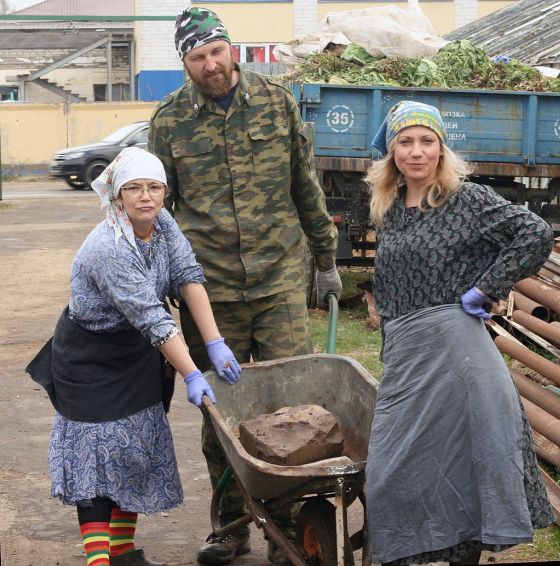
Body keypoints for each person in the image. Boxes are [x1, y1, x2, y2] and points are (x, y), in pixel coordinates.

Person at [148, 7, 342, 566]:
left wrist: (325, 259)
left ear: (231, 48)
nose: (211, 65)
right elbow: (161, 210)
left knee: (293, 406)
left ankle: (289, 529)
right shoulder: (168, 123)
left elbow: (305, 184)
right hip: (208, 291)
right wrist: (161, 284)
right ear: (183, 61)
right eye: (197, 57)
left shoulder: (277, 103)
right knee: (220, 412)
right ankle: (230, 526)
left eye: (216, 52)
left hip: (279, 278)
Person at [26, 147, 241, 566]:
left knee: (137, 446)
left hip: (136, 352)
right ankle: (98, 558)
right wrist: (193, 372)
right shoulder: (108, 246)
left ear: (164, 192)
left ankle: (123, 549)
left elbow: (187, 276)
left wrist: (215, 340)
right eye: (134, 188)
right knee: (95, 454)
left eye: (154, 187)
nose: (146, 196)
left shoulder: (163, 224)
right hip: (90, 354)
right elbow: (153, 318)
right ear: (118, 196)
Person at [364, 100, 555, 566]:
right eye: (405, 142)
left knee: (465, 460)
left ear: (441, 148)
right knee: (391, 472)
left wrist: (486, 288)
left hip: (457, 351)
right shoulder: (389, 206)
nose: (416, 152)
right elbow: (390, 283)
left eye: (426, 141)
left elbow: (535, 233)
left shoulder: (465, 200)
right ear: (391, 152)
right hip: (408, 354)